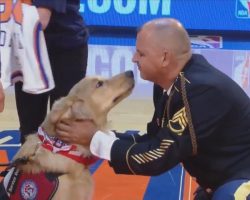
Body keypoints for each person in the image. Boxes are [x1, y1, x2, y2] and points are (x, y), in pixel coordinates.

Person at [55, 18, 250, 199]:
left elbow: (158, 155)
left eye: (141, 53)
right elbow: (155, 138)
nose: (134, 58)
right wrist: (99, 135)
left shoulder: (201, 90)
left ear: (164, 58)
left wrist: (94, 139)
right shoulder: (170, 84)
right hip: (223, 177)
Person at [15, 0, 89, 144]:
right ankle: (27, 164)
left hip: (65, 47)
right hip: (28, 47)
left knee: (63, 129)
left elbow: (39, 20)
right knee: (30, 131)